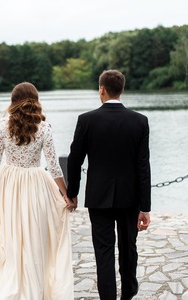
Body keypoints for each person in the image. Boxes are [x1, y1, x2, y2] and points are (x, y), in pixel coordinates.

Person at [0, 82, 75, 300]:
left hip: (10, 183)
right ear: (36, 100)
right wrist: (65, 193)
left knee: (12, 235)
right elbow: (53, 165)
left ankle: (16, 281)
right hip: (35, 183)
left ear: (13, 100)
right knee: (34, 235)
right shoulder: (44, 127)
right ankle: (34, 287)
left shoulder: (3, 125)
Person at [66, 70, 151, 300]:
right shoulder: (140, 121)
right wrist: (145, 207)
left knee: (103, 252)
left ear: (102, 89)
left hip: (98, 197)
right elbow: (143, 166)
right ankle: (128, 293)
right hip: (130, 198)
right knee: (128, 249)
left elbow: (75, 160)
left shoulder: (86, 120)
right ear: (121, 90)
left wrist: (71, 192)